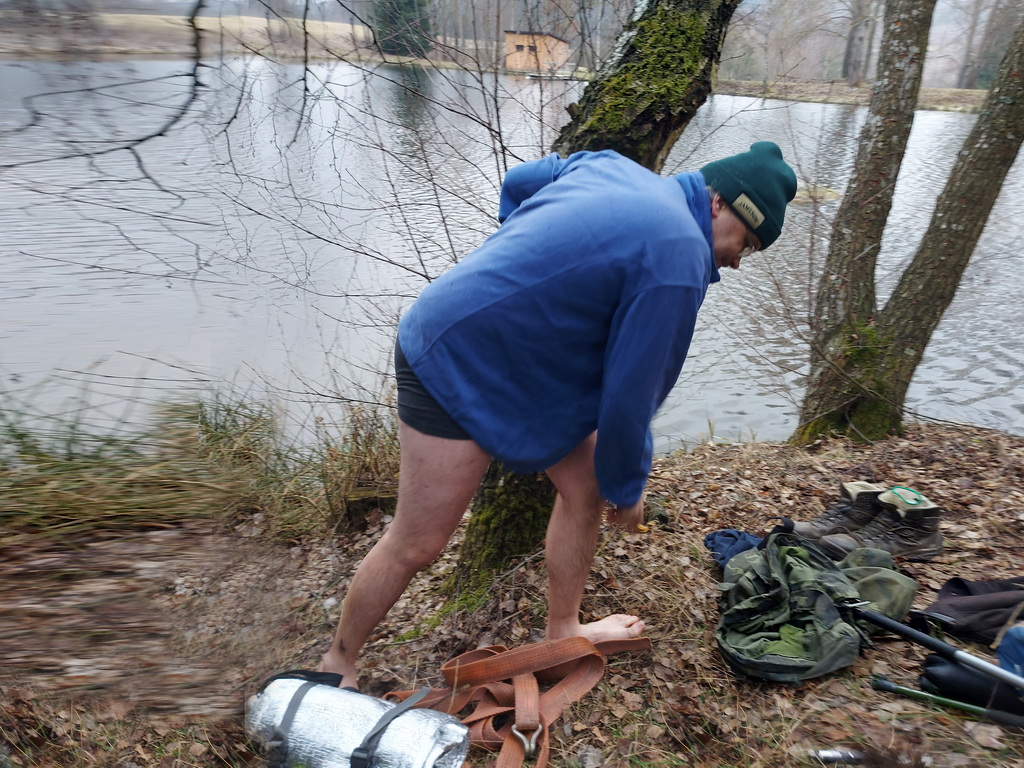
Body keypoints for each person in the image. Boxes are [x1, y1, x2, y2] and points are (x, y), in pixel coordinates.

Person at [319, 142, 798, 688]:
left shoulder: (613, 168)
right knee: (418, 542)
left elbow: (521, 181)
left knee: (585, 484)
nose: (737, 260)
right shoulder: (679, 259)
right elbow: (631, 396)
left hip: (509, 362)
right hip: (453, 358)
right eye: (746, 243)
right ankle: (337, 664)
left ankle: (562, 634)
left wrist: (527, 267)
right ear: (719, 204)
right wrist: (628, 488)